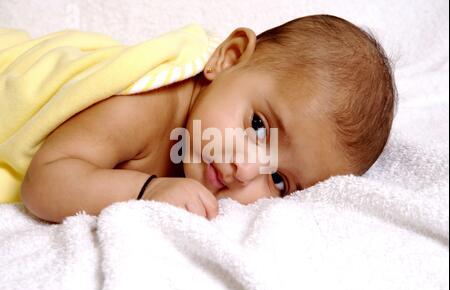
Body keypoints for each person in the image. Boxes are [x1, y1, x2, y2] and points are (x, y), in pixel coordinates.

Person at [15, 14, 396, 223]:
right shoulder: (142, 108)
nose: (245, 169)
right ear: (227, 59)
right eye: (258, 126)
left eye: (279, 181)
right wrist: (146, 190)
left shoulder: (201, 140)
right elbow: (44, 184)